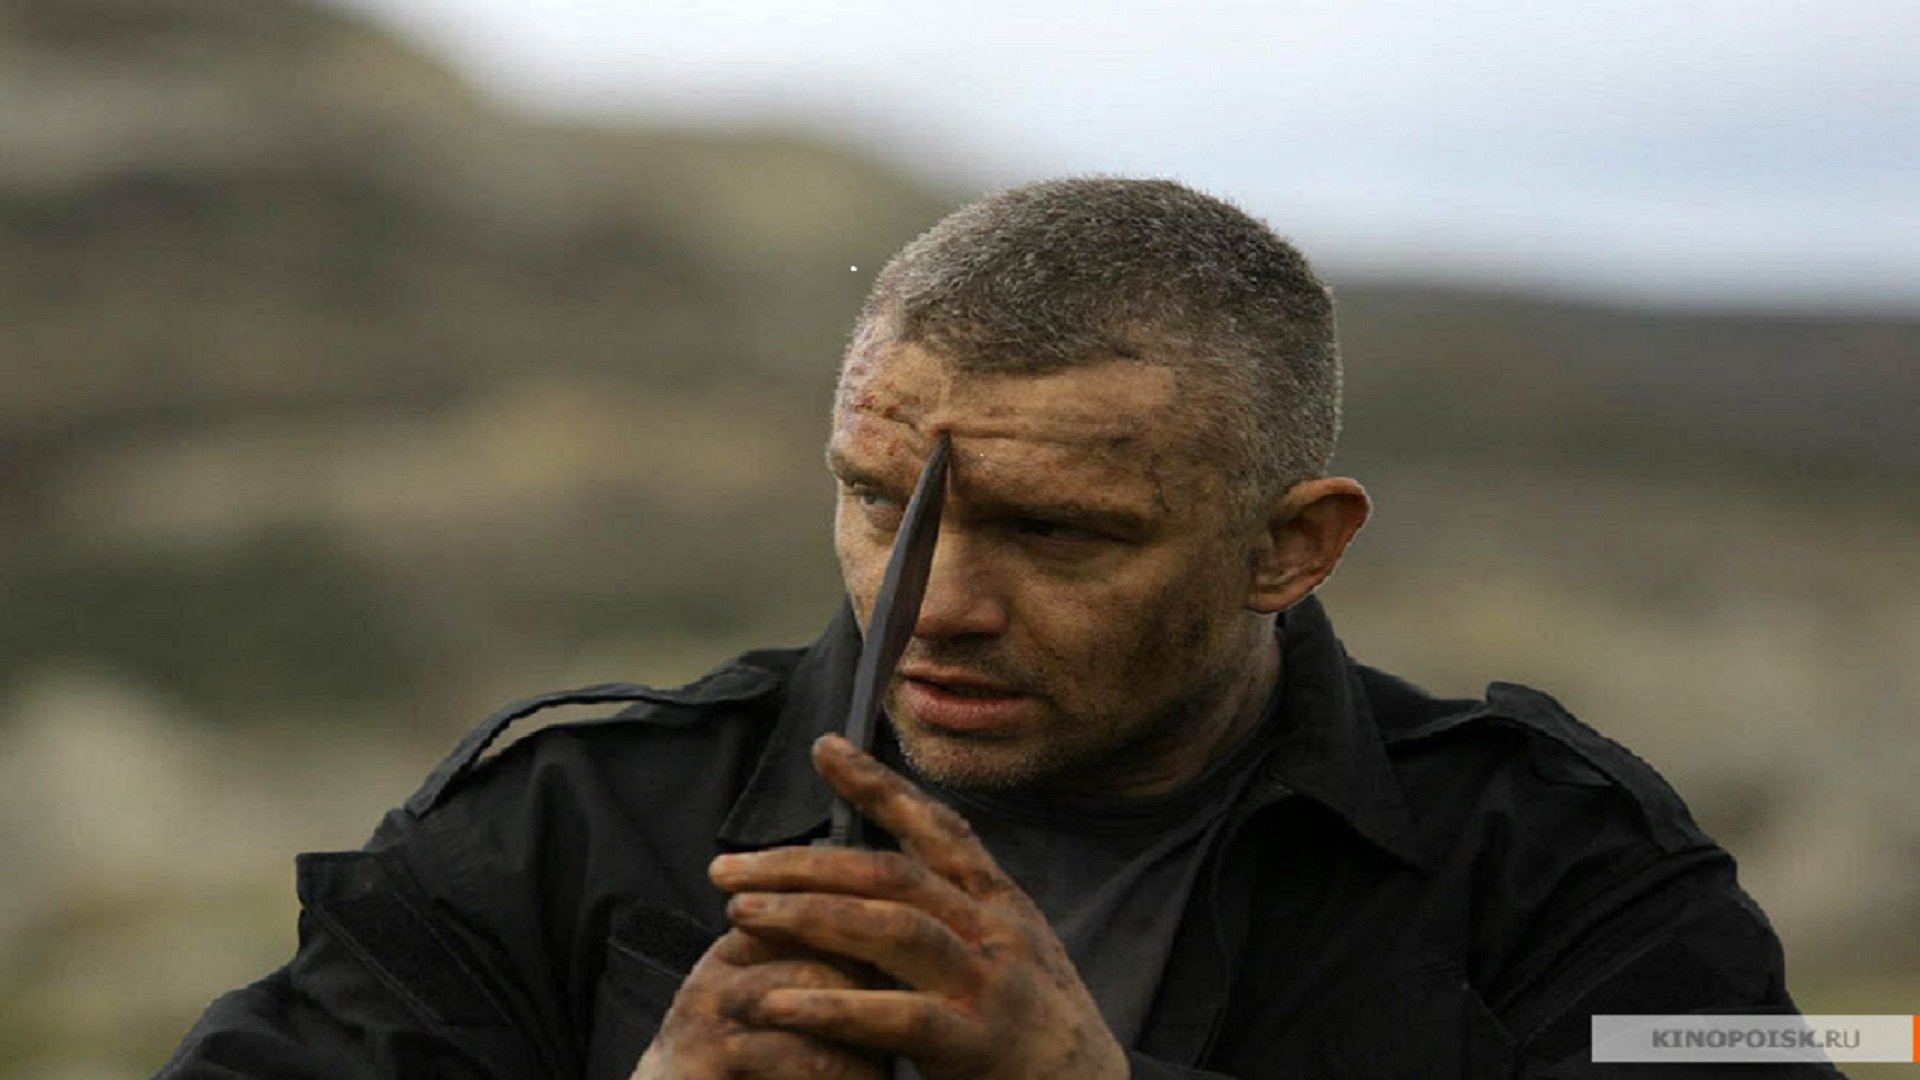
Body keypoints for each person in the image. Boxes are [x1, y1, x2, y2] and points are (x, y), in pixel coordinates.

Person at [160, 178, 1830, 1079]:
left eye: (1058, 532)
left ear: (1291, 547)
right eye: (880, 502)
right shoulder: (565, 829)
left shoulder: (1561, 867)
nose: (938, 603)